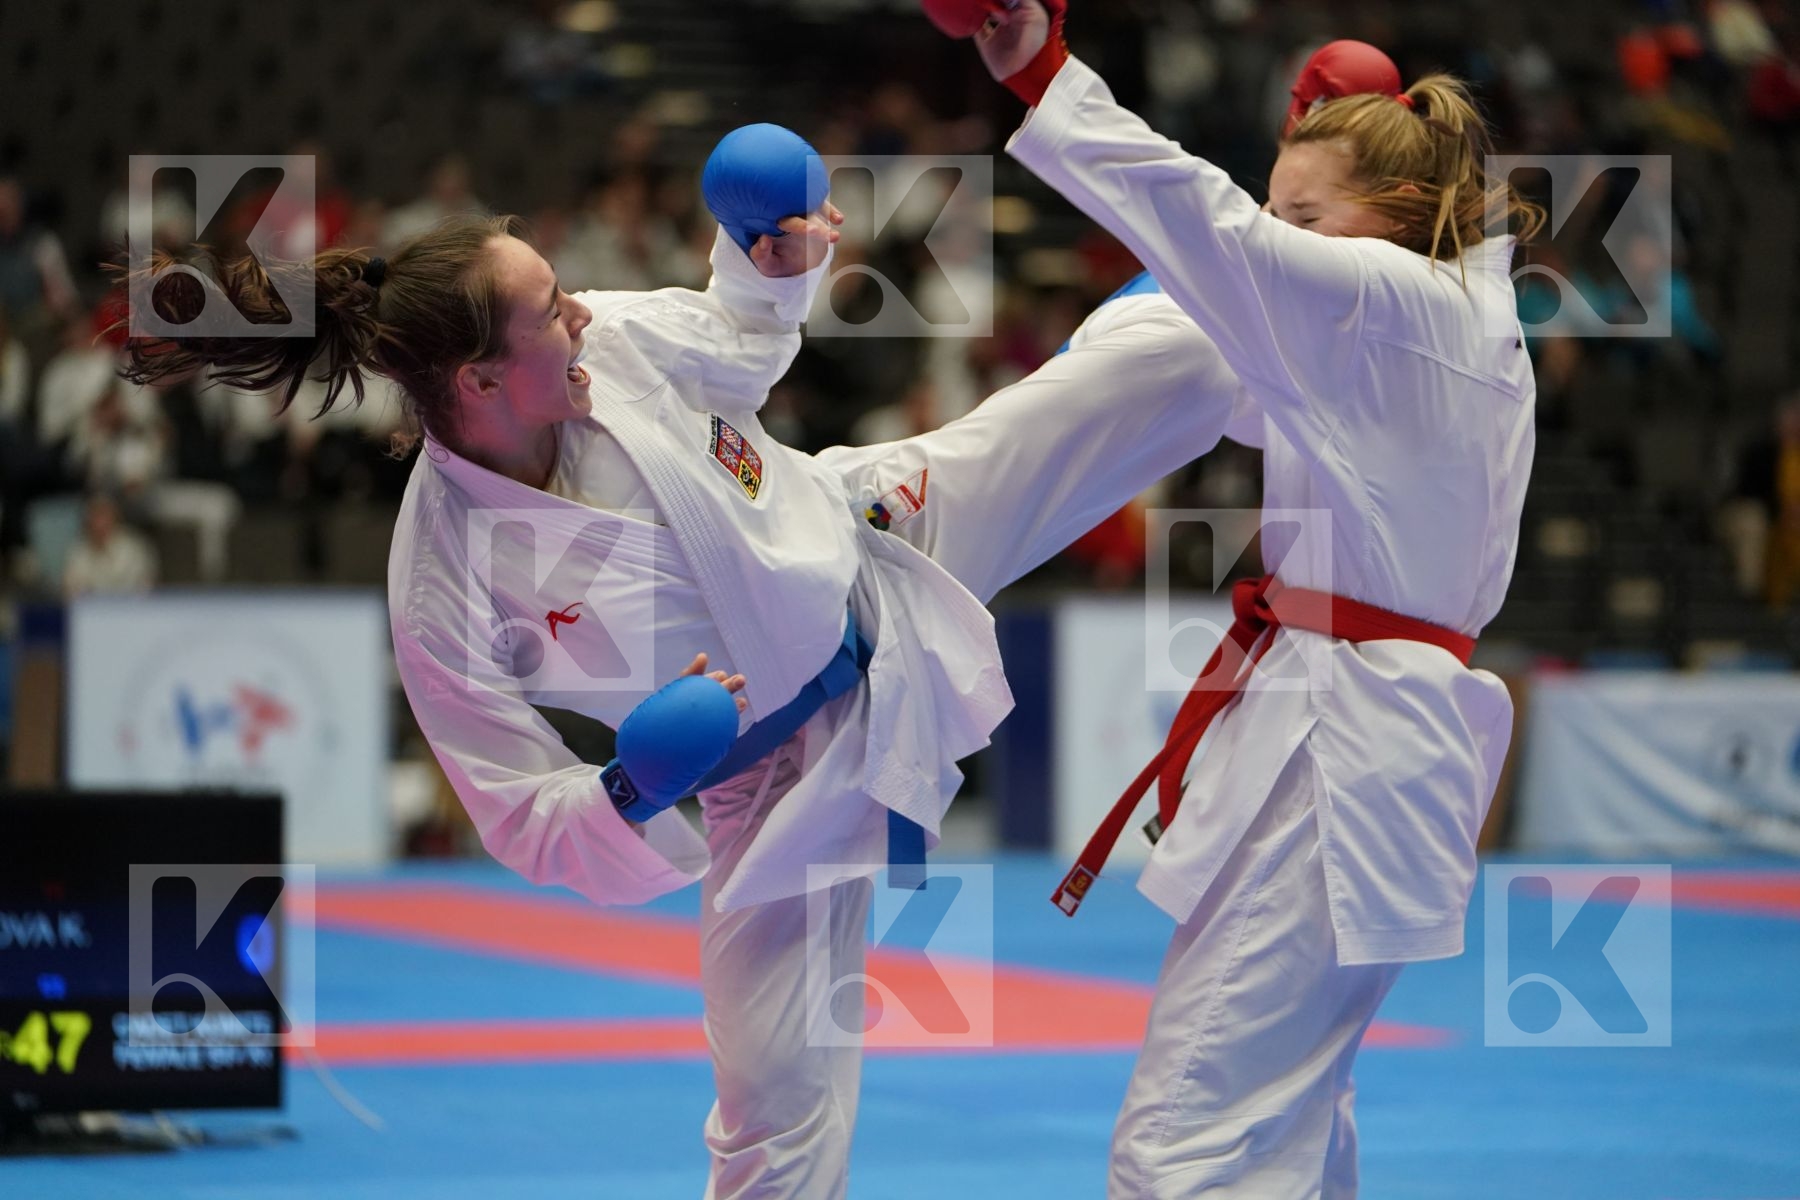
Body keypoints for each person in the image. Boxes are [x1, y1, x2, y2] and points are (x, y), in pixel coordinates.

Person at [119, 123, 1242, 1198]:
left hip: (876, 543)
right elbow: (514, 807)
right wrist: (628, 786)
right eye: (549, 312)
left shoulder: (609, 340)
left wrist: (769, 263)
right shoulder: (440, 576)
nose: (579, 312)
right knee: (770, 1103)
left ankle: (1283, 257)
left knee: (1153, 375)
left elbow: (742, 338)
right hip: (772, 785)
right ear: (478, 382)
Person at [929, 3, 1543, 1195]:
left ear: (1397, 217)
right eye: (1279, 208)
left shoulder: (1386, 302)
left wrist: (1044, 73)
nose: (1281, 236)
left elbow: (1208, 225)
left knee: (1184, 1146)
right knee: (1294, 1118)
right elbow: (1241, 348)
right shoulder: (1461, 324)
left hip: (1344, 755)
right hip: (1377, 743)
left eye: (1305, 217)